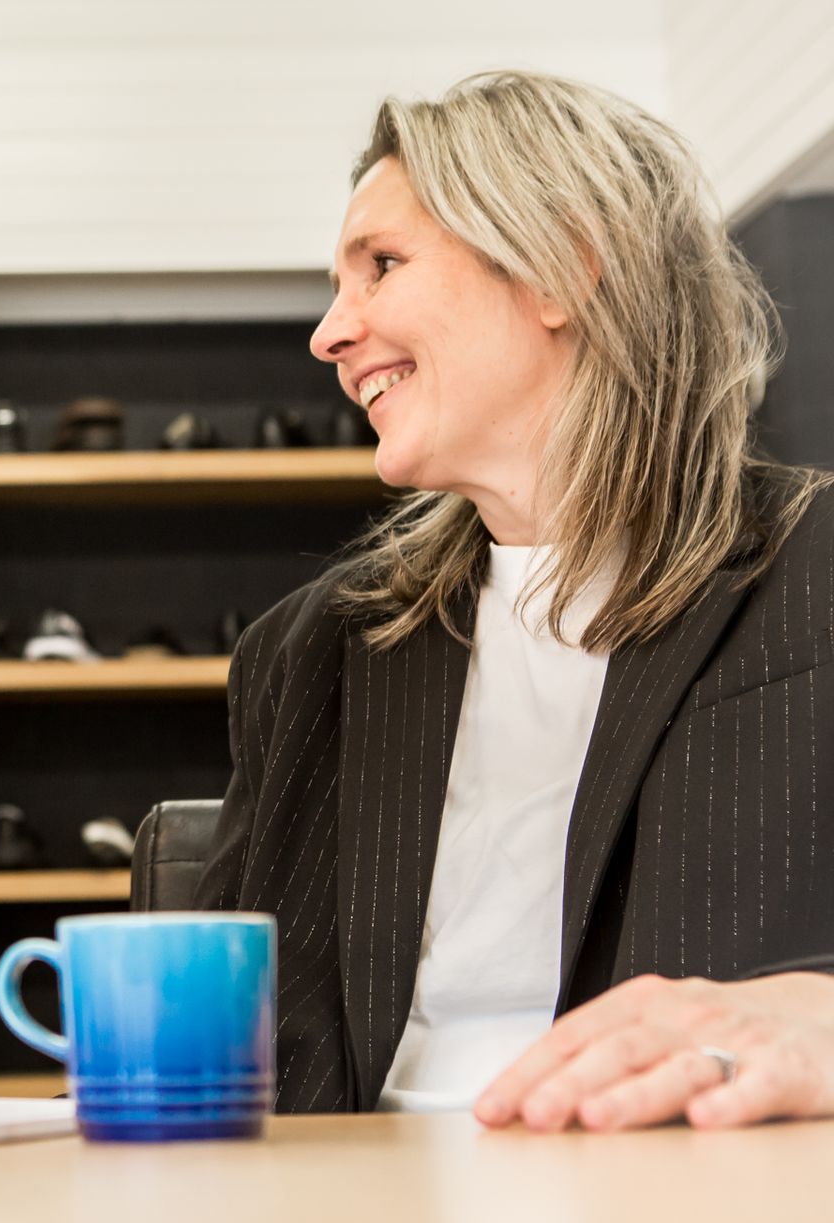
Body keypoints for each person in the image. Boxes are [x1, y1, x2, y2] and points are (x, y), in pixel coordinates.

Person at [195, 71, 834, 1132]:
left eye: (381, 267)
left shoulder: (817, 576)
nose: (328, 333)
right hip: (350, 1216)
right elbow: (220, 1039)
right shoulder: (309, 651)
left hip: (685, 1206)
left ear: (561, 269)